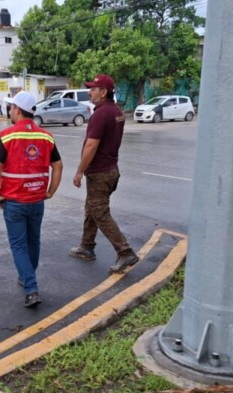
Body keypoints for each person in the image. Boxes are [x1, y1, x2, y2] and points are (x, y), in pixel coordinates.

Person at [0, 92, 64, 308]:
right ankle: (26, 276)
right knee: (34, 241)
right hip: (37, 200)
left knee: (18, 245)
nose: (10, 111)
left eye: (11, 107)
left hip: (14, 201)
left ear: (18, 110)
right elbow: (57, 165)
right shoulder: (46, 137)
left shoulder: (6, 135)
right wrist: (51, 191)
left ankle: (31, 289)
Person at [69, 74, 139, 274]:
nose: (90, 92)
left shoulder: (101, 114)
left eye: (93, 89)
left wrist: (79, 172)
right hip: (111, 170)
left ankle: (125, 252)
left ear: (104, 92)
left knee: (99, 212)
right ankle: (87, 246)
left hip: (100, 173)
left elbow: (91, 146)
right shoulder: (116, 111)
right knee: (92, 207)